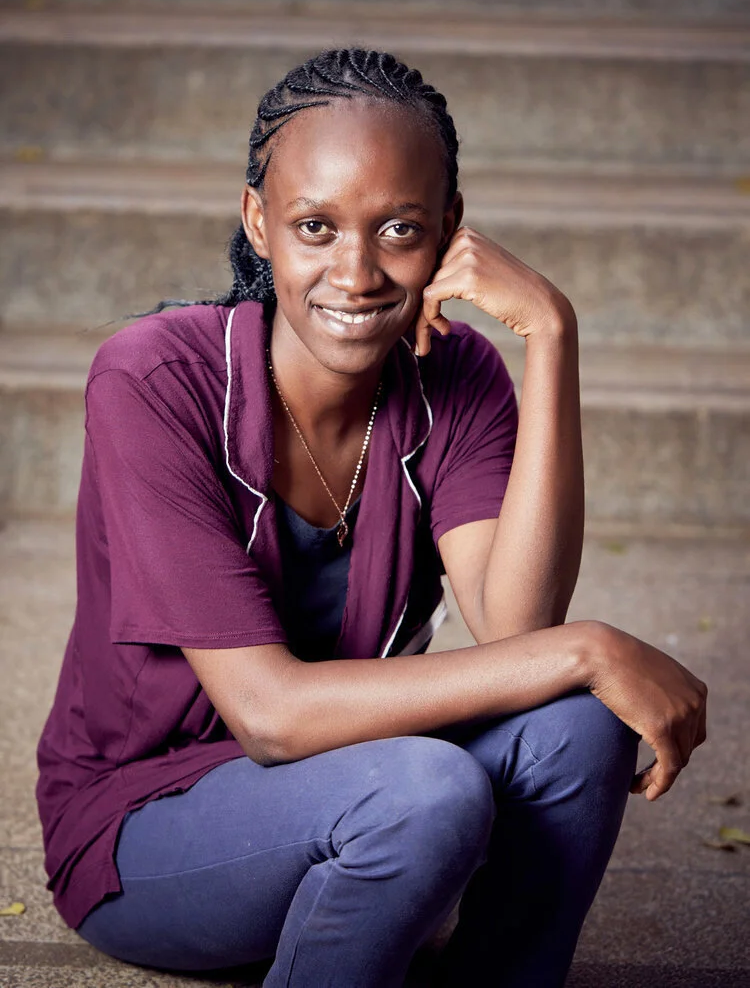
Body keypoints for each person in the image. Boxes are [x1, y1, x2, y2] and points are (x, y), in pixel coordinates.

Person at [37, 48, 707, 988]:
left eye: (399, 229)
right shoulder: (154, 380)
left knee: (579, 727)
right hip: (148, 821)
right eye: (315, 226)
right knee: (427, 791)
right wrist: (591, 647)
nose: (355, 273)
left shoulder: (455, 376)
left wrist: (551, 333)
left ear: (449, 232)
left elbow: (517, 631)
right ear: (258, 222)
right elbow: (269, 716)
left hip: (367, 776)